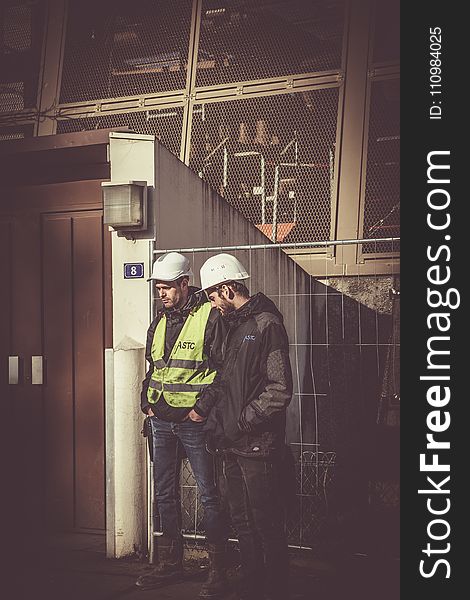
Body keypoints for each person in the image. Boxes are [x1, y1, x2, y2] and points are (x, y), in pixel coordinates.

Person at [196, 253, 293, 600]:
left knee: (266, 521)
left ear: (227, 288)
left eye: (211, 295)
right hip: (231, 442)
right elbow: (224, 379)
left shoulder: (267, 325)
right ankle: (254, 583)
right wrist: (212, 416)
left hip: (257, 443)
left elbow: (279, 389)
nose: (211, 302)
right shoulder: (233, 325)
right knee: (242, 520)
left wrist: (243, 421)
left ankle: (275, 588)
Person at [136, 252, 228, 599]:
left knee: (209, 494)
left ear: (185, 283)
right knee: (164, 494)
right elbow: (154, 368)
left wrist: (201, 410)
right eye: (159, 288)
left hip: (193, 423)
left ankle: (217, 571)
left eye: (168, 287)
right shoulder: (158, 321)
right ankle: (170, 563)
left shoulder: (210, 316)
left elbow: (222, 369)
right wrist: (147, 402)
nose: (162, 293)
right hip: (161, 421)